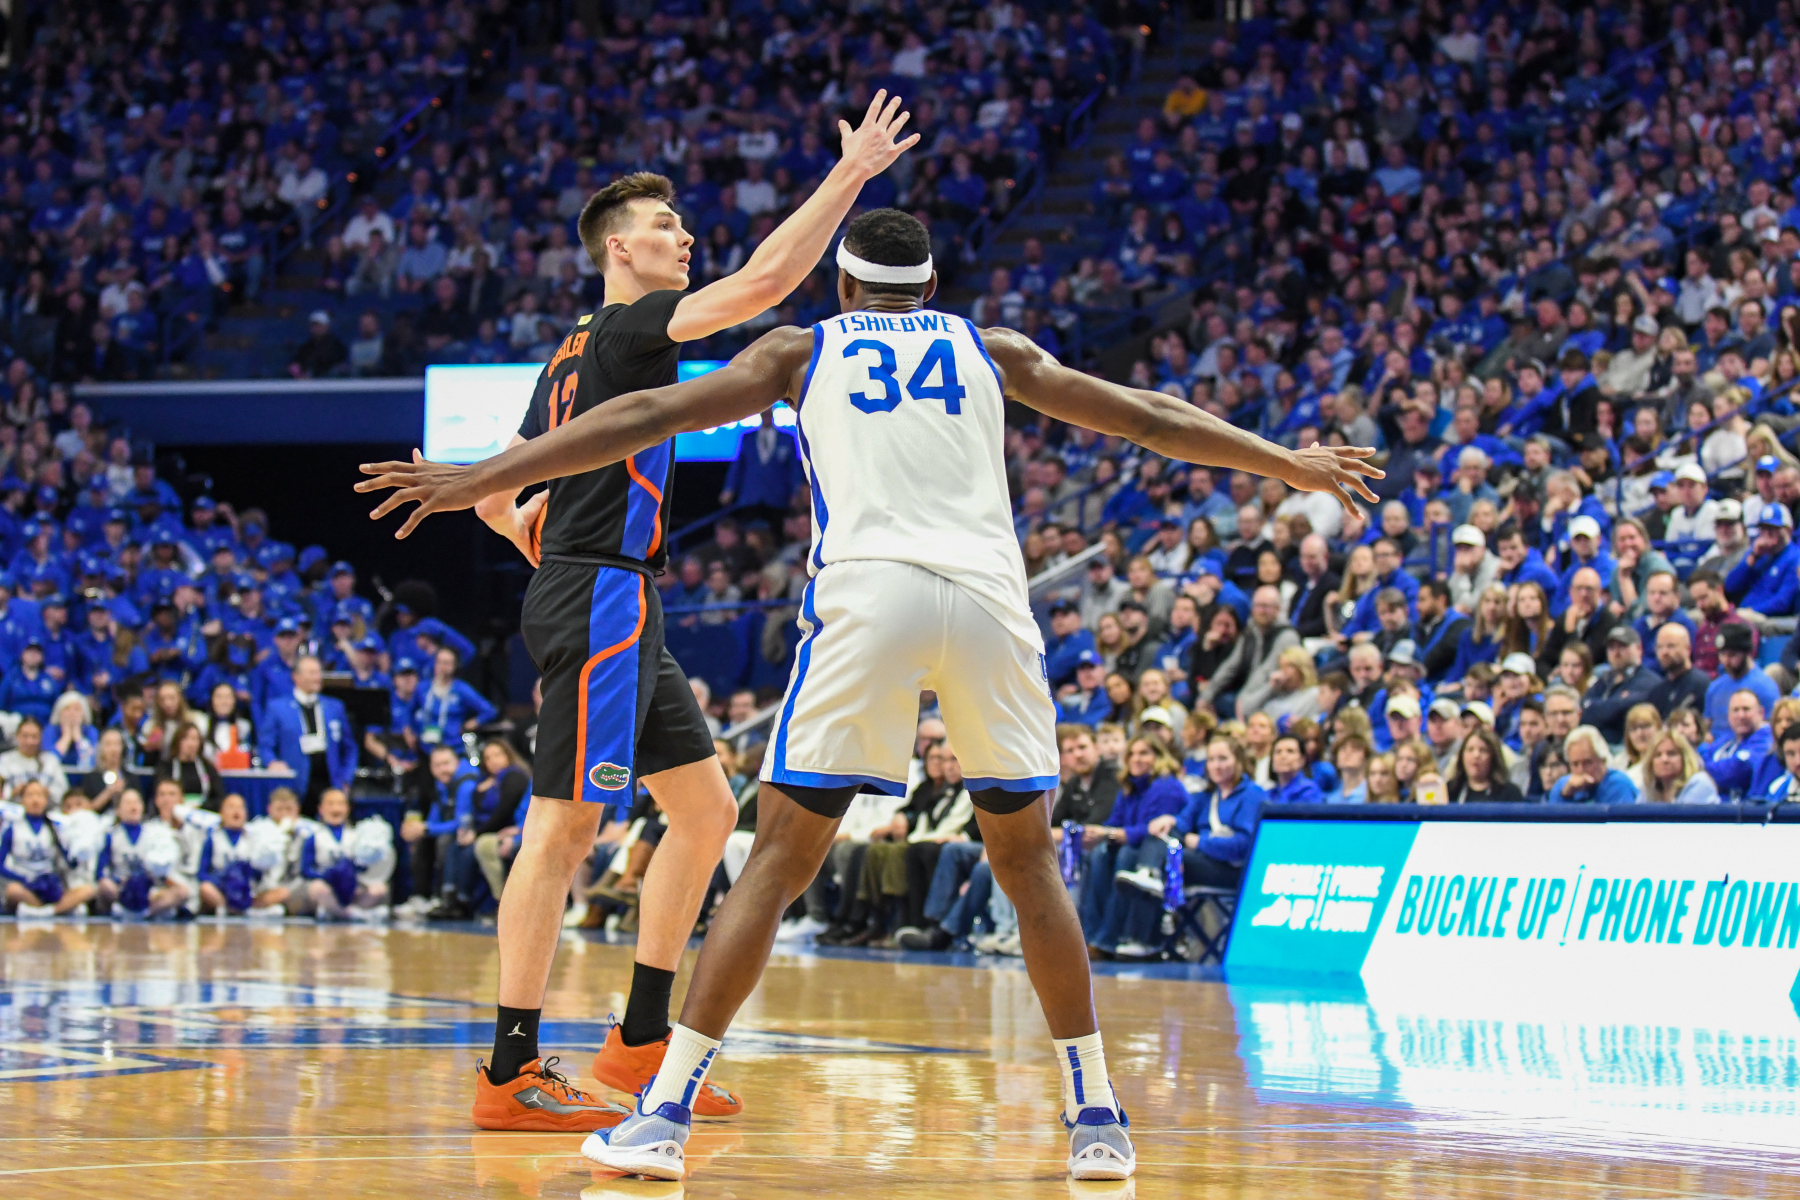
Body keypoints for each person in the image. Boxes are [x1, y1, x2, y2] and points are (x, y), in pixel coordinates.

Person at [358, 206, 1381, 1181]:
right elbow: (1148, 416)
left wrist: (482, 477)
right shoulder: (994, 349)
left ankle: (662, 1114)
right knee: (1029, 863)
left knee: (774, 863)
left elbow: (642, 415)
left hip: (869, 601)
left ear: (845, 287)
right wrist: (1284, 462)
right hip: (989, 605)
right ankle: (1099, 1117)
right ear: (931, 287)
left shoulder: (801, 351)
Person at [257, 655, 356, 816]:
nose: (317, 677)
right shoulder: (278, 708)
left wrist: (346, 778)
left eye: (318, 672)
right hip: (295, 784)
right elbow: (265, 745)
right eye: (311, 673)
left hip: (329, 782)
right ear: (296, 677)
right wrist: (272, 763)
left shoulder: (334, 707)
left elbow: (350, 747)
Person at [0, 779, 96, 915]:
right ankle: (55, 909)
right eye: (30, 795)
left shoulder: (55, 827)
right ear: (22, 800)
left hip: (50, 885)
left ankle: (46, 911)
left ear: (46, 800)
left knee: (88, 889)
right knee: (13, 890)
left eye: (39, 795)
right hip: (26, 884)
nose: (35, 800)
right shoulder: (13, 828)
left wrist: (79, 854)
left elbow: (70, 862)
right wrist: (24, 878)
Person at [1700, 689, 1774, 801]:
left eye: (1746, 709)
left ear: (1761, 713)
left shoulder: (1766, 740)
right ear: (1728, 715)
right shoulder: (1727, 740)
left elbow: (1735, 771)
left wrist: (1703, 770)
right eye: (1735, 710)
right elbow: (1700, 758)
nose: (1741, 715)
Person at [1549, 726, 1639, 804]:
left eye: (1587, 763)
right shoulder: (1561, 787)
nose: (1581, 770)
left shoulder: (1618, 784)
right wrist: (1566, 795)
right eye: (1575, 764)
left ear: (1602, 760)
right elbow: (1552, 817)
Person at [1444, 725, 1524, 803]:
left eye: (1483, 750)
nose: (1476, 755)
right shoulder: (1450, 791)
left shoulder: (1510, 794)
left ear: (1493, 757)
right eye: (1470, 749)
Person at [1643, 730, 1722, 804]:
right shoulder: (1648, 790)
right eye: (1658, 755)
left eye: (1671, 754)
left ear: (1684, 758)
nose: (1664, 759)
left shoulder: (1699, 783)